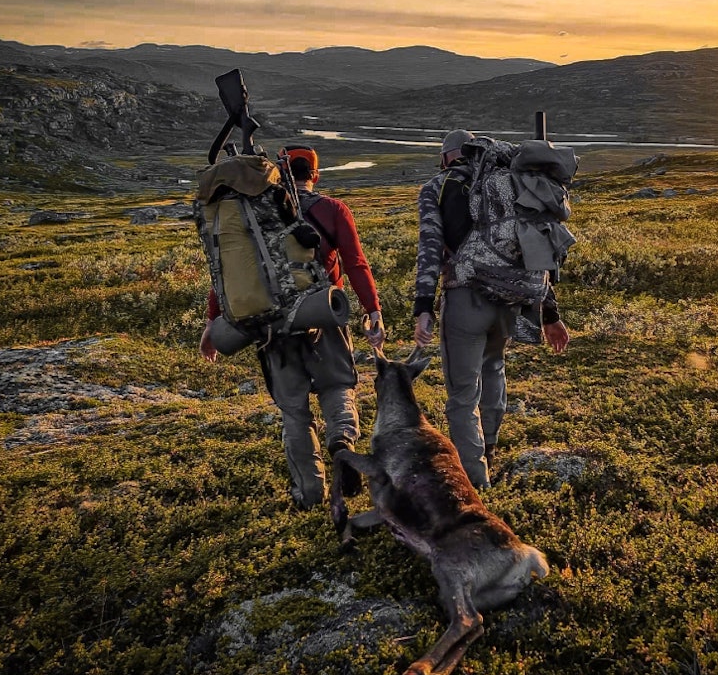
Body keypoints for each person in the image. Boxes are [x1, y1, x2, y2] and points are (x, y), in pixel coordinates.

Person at [200, 144, 385, 510]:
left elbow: (228, 273)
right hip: (322, 315)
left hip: (271, 326)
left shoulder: (258, 214)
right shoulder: (332, 210)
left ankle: (310, 493)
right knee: (337, 388)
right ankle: (342, 444)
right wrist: (372, 309)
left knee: (295, 413)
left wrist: (212, 321)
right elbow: (356, 264)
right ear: (314, 174)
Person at [412, 129, 570, 489]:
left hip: (465, 299)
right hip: (511, 300)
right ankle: (492, 446)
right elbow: (534, 252)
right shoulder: (511, 184)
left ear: (446, 156)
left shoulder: (437, 186)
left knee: (462, 394)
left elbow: (430, 248)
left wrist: (424, 306)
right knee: (494, 367)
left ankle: (474, 480)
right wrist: (550, 314)